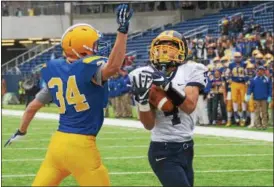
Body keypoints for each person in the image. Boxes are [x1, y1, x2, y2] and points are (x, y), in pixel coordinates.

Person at [4, 4, 133, 186]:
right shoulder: (90, 71)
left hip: (57, 144)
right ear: (81, 49)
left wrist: (22, 131)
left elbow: (32, 107)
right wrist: (122, 31)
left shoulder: (56, 72)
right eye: (94, 45)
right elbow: (112, 67)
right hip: (81, 147)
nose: (98, 48)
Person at [129, 30, 207, 187]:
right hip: (162, 149)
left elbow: (189, 107)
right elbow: (148, 125)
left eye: (171, 47)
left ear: (182, 50)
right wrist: (143, 101)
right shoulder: (143, 74)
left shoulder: (192, 69)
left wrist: (166, 85)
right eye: (161, 47)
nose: (165, 51)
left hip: (187, 147)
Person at [228, 52, 247, 126]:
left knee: (243, 99)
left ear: (241, 57)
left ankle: (244, 114)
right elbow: (228, 73)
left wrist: (246, 79)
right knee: (234, 99)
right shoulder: (231, 65)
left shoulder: (244, 64)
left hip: (242, 83)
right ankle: (236, 113)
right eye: (236, 57)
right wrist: (228, 78)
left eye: (238, 57)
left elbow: (247, 73)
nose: (237, 58)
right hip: (234, 83)